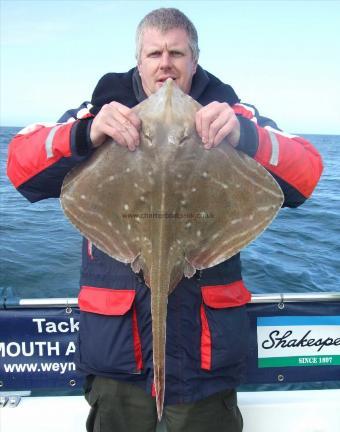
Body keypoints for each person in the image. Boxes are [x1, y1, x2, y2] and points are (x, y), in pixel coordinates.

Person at [7, 7, 323, 432]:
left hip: (203, 361)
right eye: (154, 53)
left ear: (194, 59)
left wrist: (243, 136)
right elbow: (19, 167)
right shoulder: (100, 108)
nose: (166, 64)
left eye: (177, 52)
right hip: (119, 357)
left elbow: (306, 173)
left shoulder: (232, 110)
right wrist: (87, 134)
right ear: (139, 60)